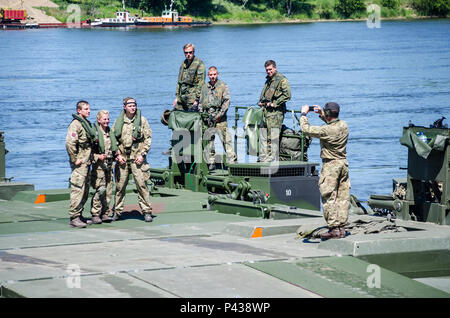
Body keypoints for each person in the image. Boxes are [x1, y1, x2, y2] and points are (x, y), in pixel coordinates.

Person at [299, 102, 350, 239]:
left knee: (328, 196)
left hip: (331, 166)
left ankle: (333, 228)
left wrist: (304, 114)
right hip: (343, 164)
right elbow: (331, 125)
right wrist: (322, 114)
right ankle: (341, 227)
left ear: (328, 114)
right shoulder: (344, 125)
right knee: (342, 197)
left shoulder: (327, 131)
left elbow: (306, 129)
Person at [112, 97, 154, 222]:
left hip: (137, 159)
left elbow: (148, 138)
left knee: (142, 186)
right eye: (130, 105)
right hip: (123, 160)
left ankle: (146, 211)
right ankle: (117, 212)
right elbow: (112, 140)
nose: (133, 107)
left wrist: (143, 154)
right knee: (120, 187)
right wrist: (117, 155)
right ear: (125, 107)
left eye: (134, 105)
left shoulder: (142, 121)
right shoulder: (118, 122)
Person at [199, 66, 237, 169]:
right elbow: (201, 102)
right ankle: (211, 162)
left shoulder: (223, 86)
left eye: (214, 74)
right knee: (209, 141)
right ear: (208, 75)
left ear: (217, 74)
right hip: (208, 119)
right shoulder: (204, 87)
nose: (213, 77)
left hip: (220, 119)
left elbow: (226, 102)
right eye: (211, 75)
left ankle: (232, 162)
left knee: (226, 140)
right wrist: (202, 114)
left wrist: (219, 115)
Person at [65, 100, 96, 228]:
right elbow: (70, 142)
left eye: (89, 109)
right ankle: (74, 217)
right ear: (79, 110)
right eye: (86, 109)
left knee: (85, 189)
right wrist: (74, 159)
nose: (88, 111)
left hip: (87, 160)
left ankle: (80, 214)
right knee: (78, 188)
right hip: (80, 162)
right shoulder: (76, 124)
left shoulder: (86, 123)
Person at [258, 60, 291, 162]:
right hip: (266, 112)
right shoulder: (269, 80)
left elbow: (287, 95)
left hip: (276, 113)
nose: (268, 72)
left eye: (270, 69)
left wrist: (274, 104)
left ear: (275, 68)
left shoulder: (282, 80)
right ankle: (263, 157)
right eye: (267, 70)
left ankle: (270, 158)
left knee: (273, 137)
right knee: (263, 135)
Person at [90, 110, 118, 223]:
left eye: (107, 119)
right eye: (104, 119)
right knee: (100, 190)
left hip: (110, 166)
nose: (107, 121)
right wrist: (97, 157)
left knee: (109, 190)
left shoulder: (110, 132)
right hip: (99, 167)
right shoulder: (94, 133)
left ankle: (105, 213)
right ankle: (95, 214)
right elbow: (88, 152)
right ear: (99, 120)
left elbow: (114, 148)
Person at [173, 43, 206, 111]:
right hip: (182, 99)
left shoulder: (199, 64)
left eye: (190, 52)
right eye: (186, 53)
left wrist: (197, 100)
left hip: (192, 99)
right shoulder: (183, 64)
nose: (188, 54)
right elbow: (179, 82)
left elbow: (201, 83)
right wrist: (176, 97)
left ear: (193, 52)